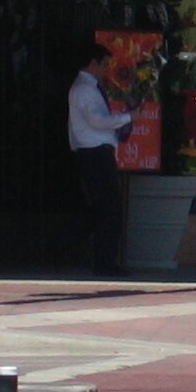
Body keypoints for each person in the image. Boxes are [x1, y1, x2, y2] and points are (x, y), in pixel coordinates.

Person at [63, 41, 134, 276]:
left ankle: (95, 256)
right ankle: (103, 262)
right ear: (92, 63)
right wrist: (127, 117)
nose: (106, 70)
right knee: (109, 208)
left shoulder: (90, 88)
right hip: (94, 153)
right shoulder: (84, 89)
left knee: (103, 208)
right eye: (104, 64)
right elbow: (97, 121)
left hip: (98, 151)